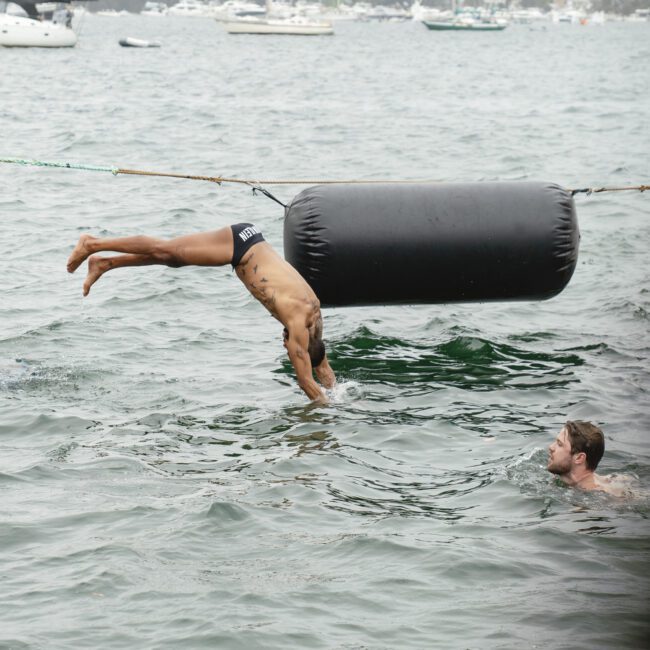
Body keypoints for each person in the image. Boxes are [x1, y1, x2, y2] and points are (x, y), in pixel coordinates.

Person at [66, 223, 336, 403]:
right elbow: (306, 382)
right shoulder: (298, 326)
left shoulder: (314, 319)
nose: (285, 345)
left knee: (171, 259)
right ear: (297, 343)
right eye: (289, 346)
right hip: (239, 245)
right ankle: (93, 244)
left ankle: (104, 263)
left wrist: (337, 393)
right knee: (164, 249)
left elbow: (321, 367)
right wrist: (331, 415)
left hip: (249, 243)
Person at [547, 420, 623, 494]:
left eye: (560, 444)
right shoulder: (615, 480)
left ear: (579, 458)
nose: (551, 447)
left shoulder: (593, 498)